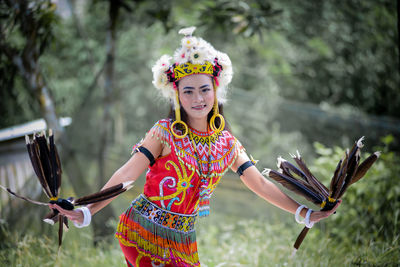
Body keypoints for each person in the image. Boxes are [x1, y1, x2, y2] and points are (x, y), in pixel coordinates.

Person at [50, 27, 340, 267]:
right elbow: (127, 174)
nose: (197, 98)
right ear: (177, 96)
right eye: (188, 91)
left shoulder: (227, 144)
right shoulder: (164, 133)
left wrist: (305, 213)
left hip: (184, 241)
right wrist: (87, 210)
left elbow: (261, 186)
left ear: (216, 91)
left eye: (205, 89)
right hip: (143, 232)